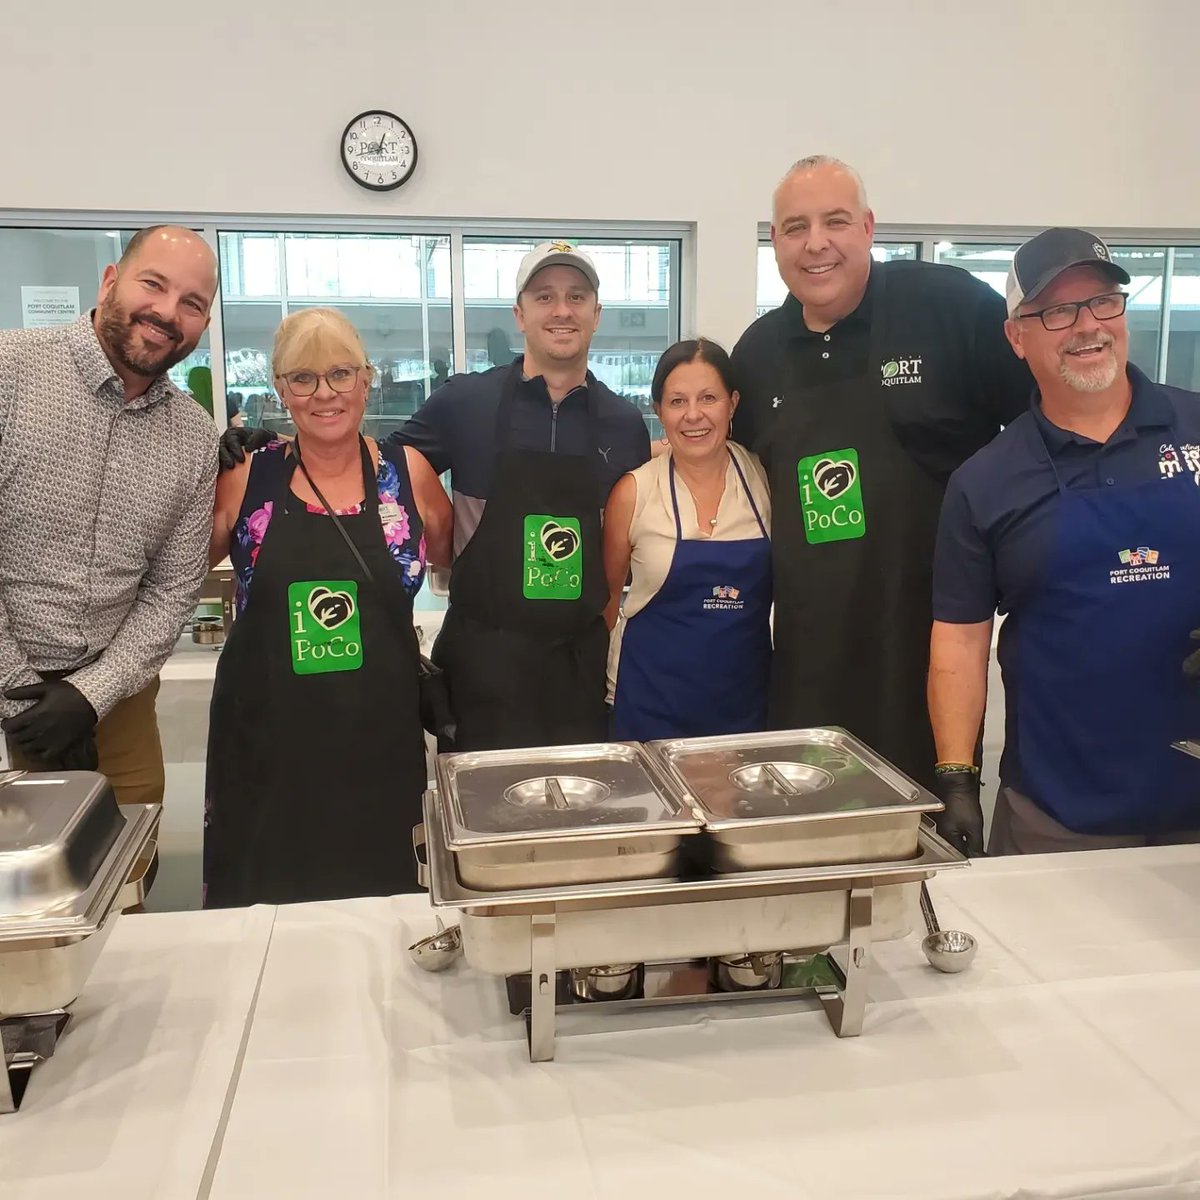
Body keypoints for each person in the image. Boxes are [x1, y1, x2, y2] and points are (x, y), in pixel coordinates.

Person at [222, 242, 649, 752]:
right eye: (544, 296)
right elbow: (365, 462)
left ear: (596, 314)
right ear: (519, 313)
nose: (561, 310)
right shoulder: (464, 403)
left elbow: (619, 555)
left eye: (576, 296)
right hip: (480, 667)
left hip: (576, 668)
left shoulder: (624, 426)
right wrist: (283, 444)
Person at [730, 156, 1032, 793]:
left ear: (868, 227)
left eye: (835, 221)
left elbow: (1040, 430)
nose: (817, 243)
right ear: (775, 242)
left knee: (927, 843)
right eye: (795, 227)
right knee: (810, 834)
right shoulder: (756, 355)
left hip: (932, 655)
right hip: (808, 656)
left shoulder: (951, 309)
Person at [929, 228, 1200, 856]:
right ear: (1017, 337)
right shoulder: (986, 480)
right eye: (1057, 311)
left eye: (1104, 302)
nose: (1087, 326)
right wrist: (956, 777)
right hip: (1055, 815)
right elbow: (960, 641)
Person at [204, 308, 451, 906]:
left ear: (367, 380)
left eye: (341, 374)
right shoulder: (245, 476)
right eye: (303, 378)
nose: (325, 394)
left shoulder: (408, 473)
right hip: (268, 742)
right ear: (279, 389)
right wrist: (196, 463)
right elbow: (180, 567)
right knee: (265, 909)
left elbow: (447, 557)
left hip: (378, 739)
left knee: (384, 908)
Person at [0, 225, 218, 813]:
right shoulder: (10, 373)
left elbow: (173, 590)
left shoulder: (194, 435)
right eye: (154, 284)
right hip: (7, 688)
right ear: (110, 280)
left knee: (126, 873)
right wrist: (24, 701)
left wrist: (87, 696)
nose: (168, 312)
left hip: (114, 699)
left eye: (192, 303)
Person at [604, 338, 771, 740]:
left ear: (732, 403)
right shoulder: (634, 491)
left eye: (708, 398)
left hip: (745, 708)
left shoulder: (765, 480)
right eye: (677, 401)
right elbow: (607, 603)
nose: (693, 415)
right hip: (647, 705)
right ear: (658, 410)